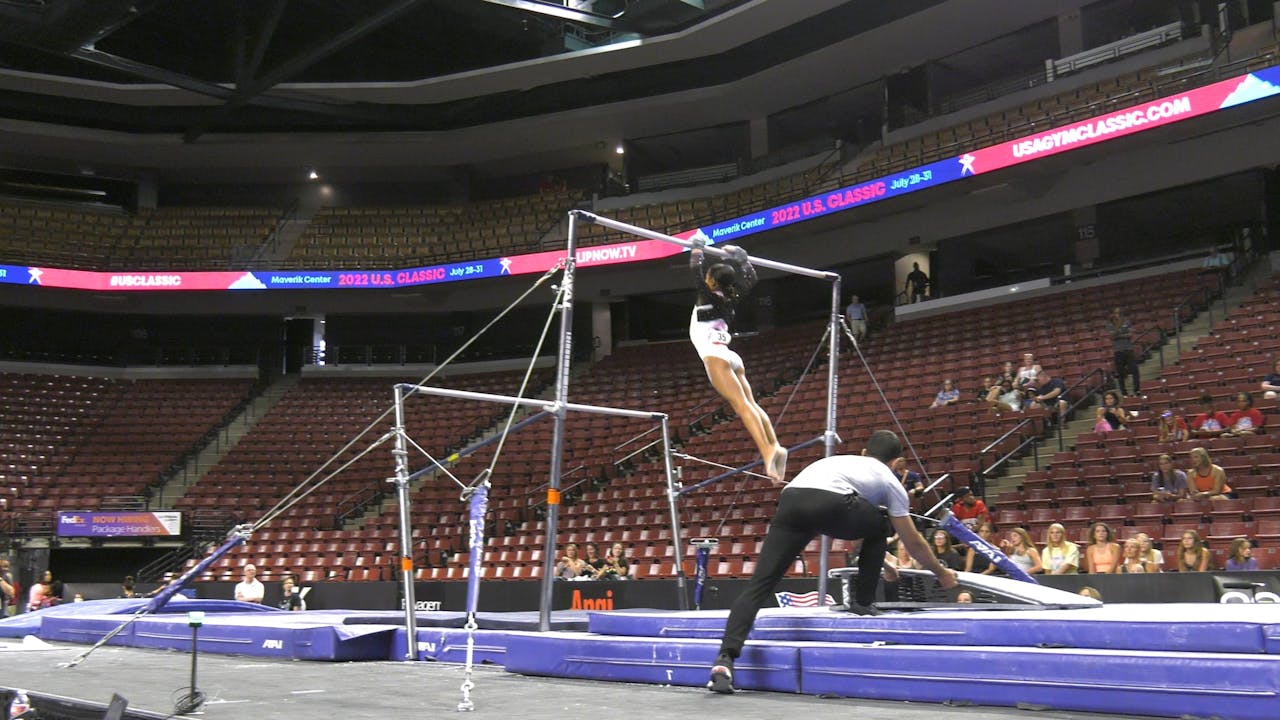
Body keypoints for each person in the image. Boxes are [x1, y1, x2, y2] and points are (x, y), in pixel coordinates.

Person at [706, 430, 958, 694]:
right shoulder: (890, 480)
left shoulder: (840, 461)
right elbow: (913, 542)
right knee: (882, 523)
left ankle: (725, 659)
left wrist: (879, 558)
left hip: (792, 499)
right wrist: (941, 573)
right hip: (833, 502)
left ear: (864, 452)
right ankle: (863, 602)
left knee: (759, 584)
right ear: (897, 464)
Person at [689, 241, 787, 482]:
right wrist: (743, 258)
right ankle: (775, 444)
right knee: (751, 404)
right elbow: (751, 278)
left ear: (711, 282)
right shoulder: (730, 299)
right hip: (730, 356)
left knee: (742, 407)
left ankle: (768, 452)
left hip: (715, 355)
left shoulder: (707, 297)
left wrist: (698, 251)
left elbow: (695, 272)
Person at [1107, 307, 1140, 397]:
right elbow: (1112, 337)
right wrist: (1120, 330)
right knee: (1120, 373)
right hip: (1118, 351)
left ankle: (1137, 390)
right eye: (1116, 313)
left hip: (1128, 349)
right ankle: (1124, 393)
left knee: (1135, 370)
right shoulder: (1110, 324)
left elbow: (1130, 334)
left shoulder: (1127, 322)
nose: (1118, 314)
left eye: (1119, 313)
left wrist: (1119, 334)